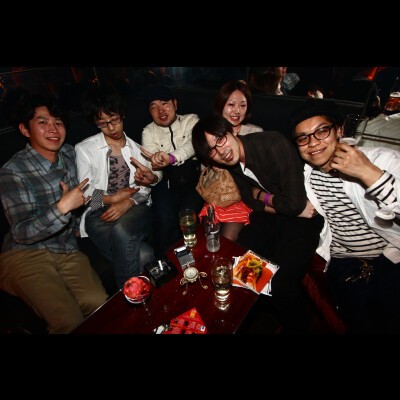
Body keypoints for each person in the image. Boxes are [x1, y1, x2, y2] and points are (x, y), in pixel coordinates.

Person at [192, 115, 324, 333]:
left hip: (306, 219)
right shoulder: (233, 163)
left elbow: (296, 204)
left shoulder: (273, 144)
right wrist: (267, 200)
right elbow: (249, 200)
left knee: (280, 284)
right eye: (212, 150)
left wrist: (262, 196)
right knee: (241, 265)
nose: (221, 151)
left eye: (220, 139)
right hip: (274, 215)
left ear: (233, 131)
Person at [0, 92, 108, 334]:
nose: (53, 129)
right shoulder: (12, 172)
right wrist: (62, 207)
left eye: (58, 122)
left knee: (100, 305)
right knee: (68, 321)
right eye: (43, 122)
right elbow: (21, 233)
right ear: (25, 129)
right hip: (23, 255)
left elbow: (90, 192)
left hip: (67, 249)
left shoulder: (70, 153)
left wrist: (116, 201)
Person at [290, 99, 400, 333]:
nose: (313, 143)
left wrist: (369, 174)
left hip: (388, 256)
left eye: (322, 131)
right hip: (344, 262)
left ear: (339, 131)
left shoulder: (380, 160)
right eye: (303, 138)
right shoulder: (307, 175)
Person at [76, 85, 161, 289]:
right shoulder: (85, 149)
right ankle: (138, 296)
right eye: (103, 123)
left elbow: (145, 189)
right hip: (98, 214)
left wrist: (128, 203)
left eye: (114, 120)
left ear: (122, 114)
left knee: (123, 230)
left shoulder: (137, 149)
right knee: (145, 255)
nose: (111, 127)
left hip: (135, 208)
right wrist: (111, 199)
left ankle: (127, 298)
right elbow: (84, 195)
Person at [140, 85, 204, 258]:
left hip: (193, 178)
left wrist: (171, 158)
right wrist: (152, 177)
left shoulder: (191, 120)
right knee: (163, 218)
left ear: (175, 104)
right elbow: (155, 171)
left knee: (188, 214)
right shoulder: (148, 131)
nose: (161, 110)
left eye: (164, 103)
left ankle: (196, 259)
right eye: (154, 107)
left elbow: (193, 144)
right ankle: (164, 264)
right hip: (165, 181)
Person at [199, 80, 261, 241]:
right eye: (231, 104)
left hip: (243, 197)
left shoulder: (255, 132)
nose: (237, 111)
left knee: (227, 240)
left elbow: (261, 174)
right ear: (221, 105)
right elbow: (203, 174)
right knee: (209, 237)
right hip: (217, 195)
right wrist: (213, 165)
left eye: (243, 105)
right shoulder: (209, 133)